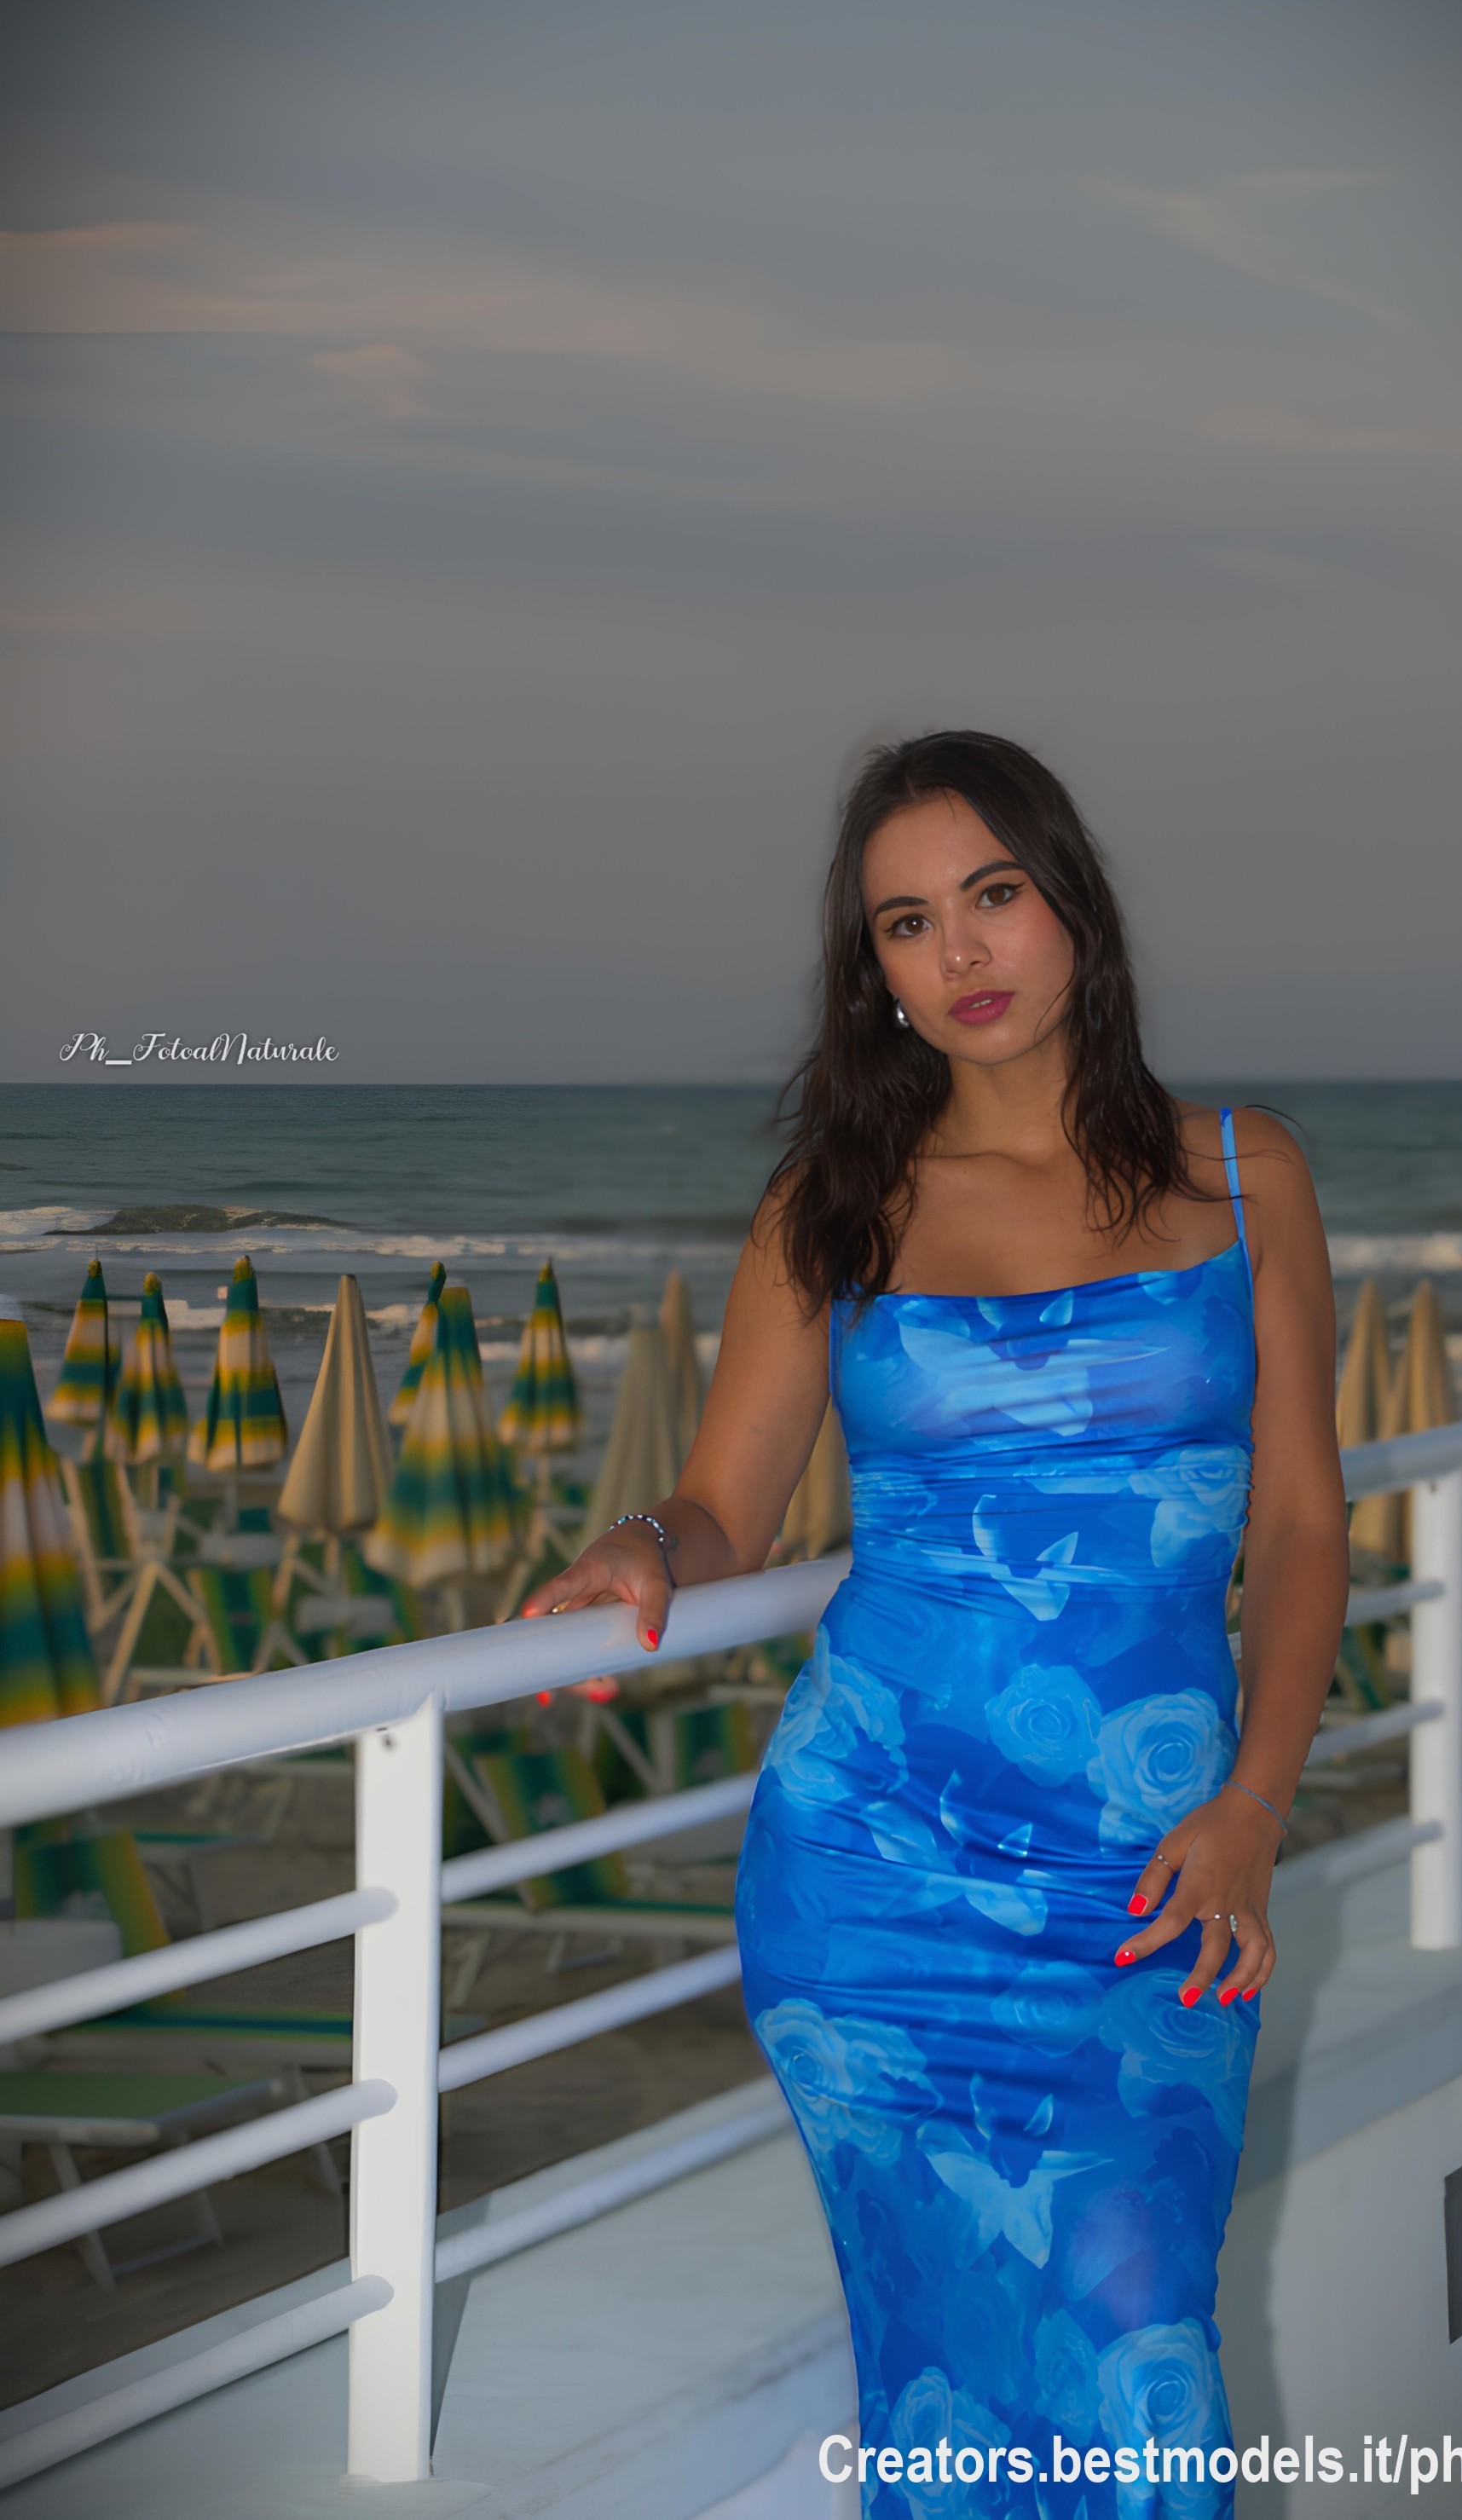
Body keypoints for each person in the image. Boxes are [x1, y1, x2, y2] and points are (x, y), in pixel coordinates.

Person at [523, 731, 1346, 2508]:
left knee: (1143, 2352)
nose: (960, 951)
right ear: (873, 970)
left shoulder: (1244, 1168)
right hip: (873, 1876)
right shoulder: (835, 1207)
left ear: (1073, 907)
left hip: (1153, 1869)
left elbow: (1297, 1526)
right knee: (937, 2389)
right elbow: (728, 1505)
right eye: (907, 922)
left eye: (992, 894)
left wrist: (1256, 1803)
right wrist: (645, 1542)